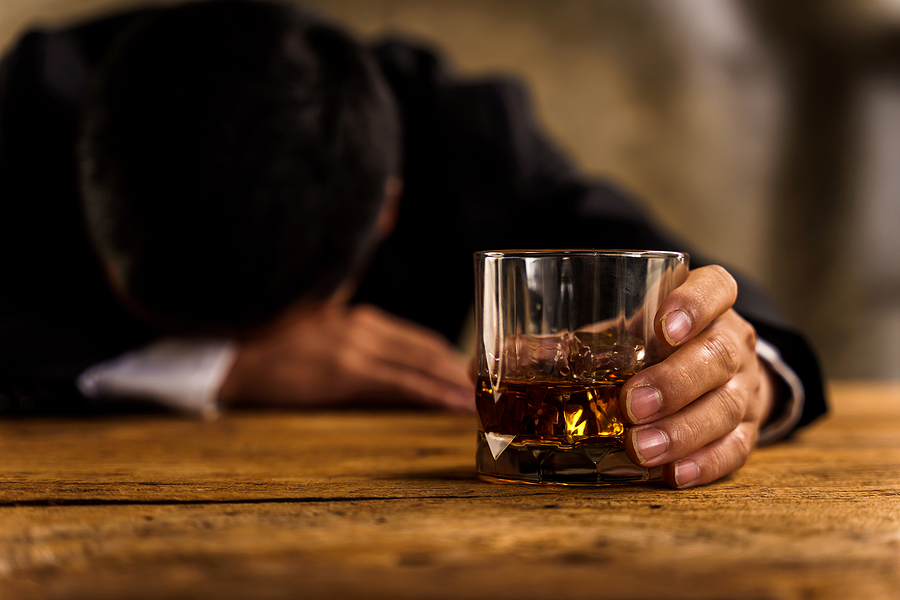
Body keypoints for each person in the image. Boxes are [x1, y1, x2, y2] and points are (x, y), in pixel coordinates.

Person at [0, 0, 825, 488]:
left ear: (387, 211)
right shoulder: (27, 108)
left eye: (277, 322)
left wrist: (742, 372)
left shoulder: (459, 134)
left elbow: (669, 267)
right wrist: (215, 370)